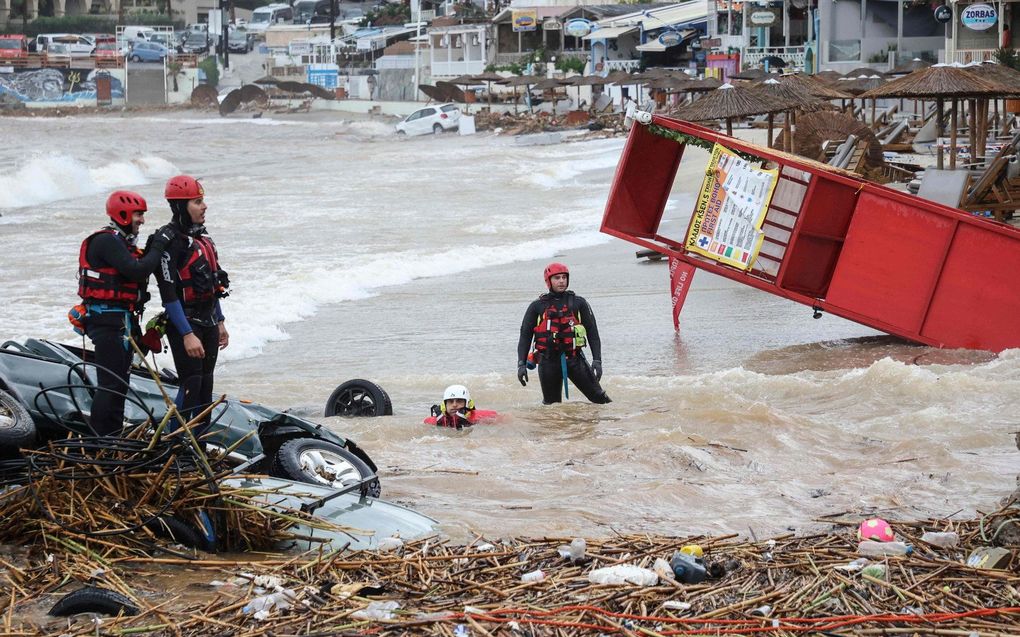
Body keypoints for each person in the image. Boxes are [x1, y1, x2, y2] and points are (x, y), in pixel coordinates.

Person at [76, 190, 176, 435]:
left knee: (120, 384)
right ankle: (102, 440)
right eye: (138, 214)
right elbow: (137, 270)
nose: (142, 220)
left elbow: (140, 267)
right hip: (106, 321)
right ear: (122, 215)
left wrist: (154, 246)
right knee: (110, 385)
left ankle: (112, 437)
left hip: (121, 321)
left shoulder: (121, 242)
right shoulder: (105, 240)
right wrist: (160, 244)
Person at [156, 175, 230, 437]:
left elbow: (213, 284)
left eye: (203, 201)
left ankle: (199, 444)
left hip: (209, 321)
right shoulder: (169, 242)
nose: (204, 206)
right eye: (197, 202)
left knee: (205, 384)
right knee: (191, 383)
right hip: (185, 323)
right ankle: (174, 442)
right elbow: (168, 295)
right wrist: (187, 334)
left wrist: (220, 322)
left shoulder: (203, 238)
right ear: (180, 206)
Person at [517, 263, 610, 405]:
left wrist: (597, 360)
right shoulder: (537, 306)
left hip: (574, 360)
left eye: (564, 277)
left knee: (601, 399)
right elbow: (525, 336)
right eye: (557, 278)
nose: (561, 281)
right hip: (547, 362)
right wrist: (521, 364)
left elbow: (592, 332)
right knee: (552, 407)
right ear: (549, 281)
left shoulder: (579, 303)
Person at [424, 385, 499, 429]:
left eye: (459, 401)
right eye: (450, 401)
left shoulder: (478, 418)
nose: (454, 405)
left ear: (467, 404)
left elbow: (505, 419)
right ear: (444, 405)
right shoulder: (434, 422)